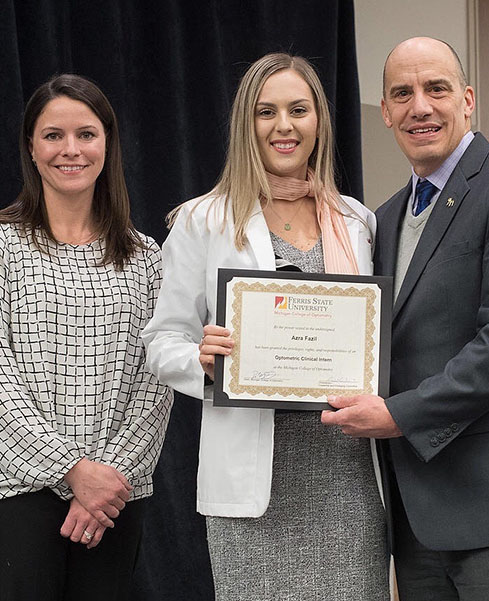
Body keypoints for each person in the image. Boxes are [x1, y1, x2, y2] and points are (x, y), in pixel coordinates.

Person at [143, 53, 389, 600]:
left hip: (347, 480)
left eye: (298, 109)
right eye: (266, 111)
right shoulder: (202, 219)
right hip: (253, 495)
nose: (284, 126)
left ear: (319, 120)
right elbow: (162, 341)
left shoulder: (357, 220)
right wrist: (201, 363)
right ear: (245, 125)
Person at [322, 36, 489, 600]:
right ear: (385, 112)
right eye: (401, 93)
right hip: (410, 513)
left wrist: (399, 415)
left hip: (487, 509)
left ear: (467, 99)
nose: (419, 106)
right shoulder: (386, 216)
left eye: (436, 89)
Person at [0, 74, 173, 601]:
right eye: (53, 135)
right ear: (31, 147)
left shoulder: (147, 259)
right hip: (19, 491)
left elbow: (157, 380)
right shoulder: (3, 246)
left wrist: (104, 481)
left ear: (107, 144)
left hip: (115, 497)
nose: (69, 150)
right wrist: (72, 470)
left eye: (86, 134)